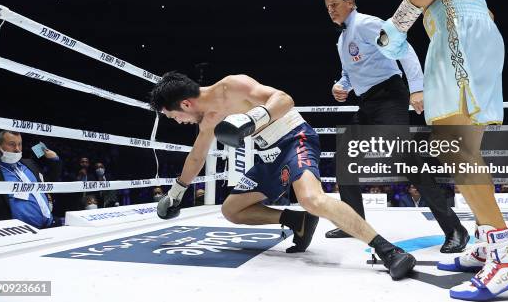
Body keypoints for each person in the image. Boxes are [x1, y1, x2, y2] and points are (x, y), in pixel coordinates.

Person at [377, 0, 508, 299]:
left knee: (455, 146)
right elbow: (481, 8)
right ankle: (485, 241)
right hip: (468, 31)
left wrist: (398, 25)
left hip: (458, 34)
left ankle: (507, 254)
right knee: (464, 148)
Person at [150, 71, 416, 280]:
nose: (179, 122)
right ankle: (298, 221)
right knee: (232, 210)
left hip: (295, 139)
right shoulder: (207, 121)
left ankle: (389, 252)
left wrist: (254, 118)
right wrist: (176, 193)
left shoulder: (232, 85)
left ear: (186, 103)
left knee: (312, 199)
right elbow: (197, 156)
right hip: (269, 156)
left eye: (174, 116)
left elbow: (285, 99)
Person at [325, 0, 468, 252]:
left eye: (334, 4)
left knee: (407, 161)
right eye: (327, 7)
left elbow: (404, 49)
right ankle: (353, 223)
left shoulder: (367, 24)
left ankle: (455, 229)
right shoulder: (342, 40)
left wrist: (417, 88)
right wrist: (340, 86)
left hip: (389, 96)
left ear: (350, 3)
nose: (330, 10)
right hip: (367, 102)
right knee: (344, 156)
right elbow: (349, 73)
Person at [0, 131, 61, 228]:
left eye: (19, 144)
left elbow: (48, 184)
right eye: (12, 144)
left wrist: (54, 161)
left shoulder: (30, 164)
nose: (17, 149)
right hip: (18, 235)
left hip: (51, 226)